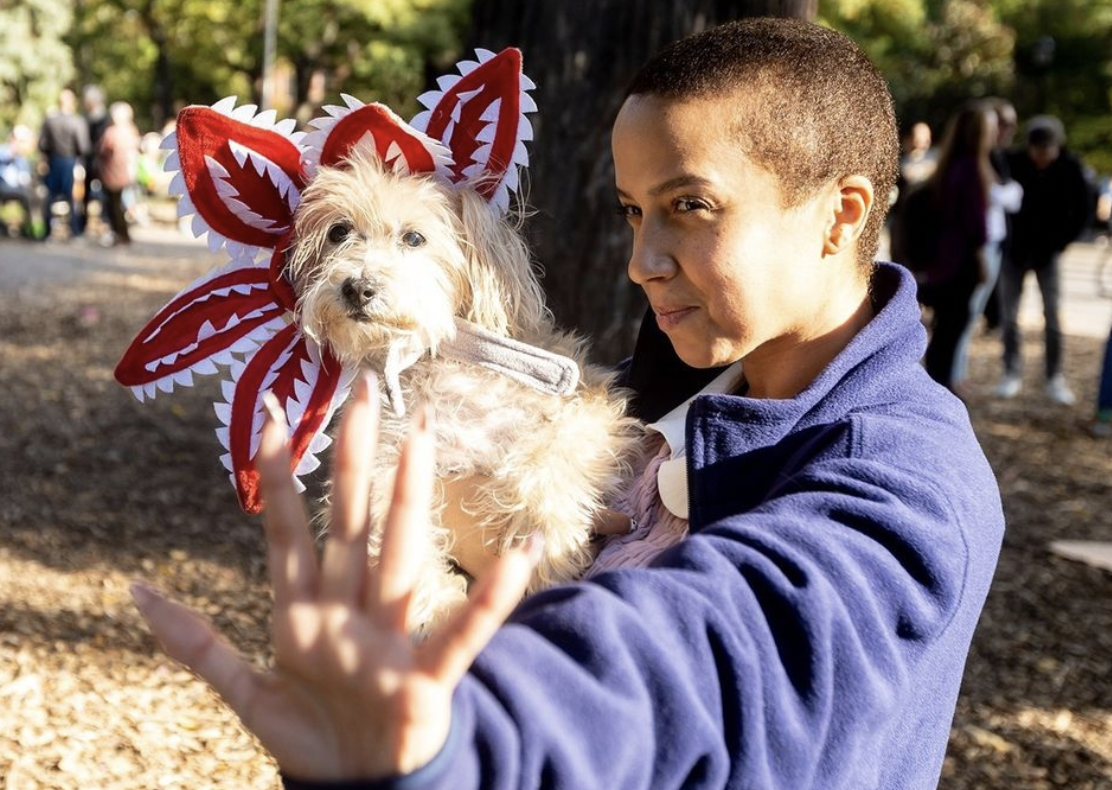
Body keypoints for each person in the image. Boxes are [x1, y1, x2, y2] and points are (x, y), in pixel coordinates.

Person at [130, 19, 1005, 790]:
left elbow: (718, 648)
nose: (641, 260)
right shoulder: (632, 396)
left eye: (689, 207)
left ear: (840, 215)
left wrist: (460, 740)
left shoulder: (910, 476)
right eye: (631, 211)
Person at [994, 115, 1090, 404]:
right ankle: (1011, 371)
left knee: (1053, 316)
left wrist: (1062, 242)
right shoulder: (1012, 162)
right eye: (1037, 151)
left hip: (1048, 253)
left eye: (1047, 152)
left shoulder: (1071, 168)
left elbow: (1083, 210)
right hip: (1015, 251)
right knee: (1009, 315)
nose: (1041, 158)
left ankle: (1054, 375)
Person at [914, 101, 996, 395]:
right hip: (961, 262)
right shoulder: (971, 169)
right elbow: (974, 221)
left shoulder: (949, 167)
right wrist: (982, 258)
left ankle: (939, 384)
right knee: (951, 330)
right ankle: (941, 388)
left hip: (944, 259)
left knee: (945, 331)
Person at [981, 97, 1020, 331]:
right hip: (981, 244)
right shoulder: (979, 159)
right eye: (1005, 122)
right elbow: (994, 196)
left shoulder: (1002, 157)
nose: (1011, 129)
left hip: (996, 243)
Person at [38, 88, 90, 241]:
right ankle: (75, 231)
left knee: (50, 198)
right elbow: (83, 147)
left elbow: (42, 144)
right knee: (73, 198)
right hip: (70, 162)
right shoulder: (77, 121)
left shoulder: (50, 121)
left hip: (53, 162)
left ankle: (47, 232)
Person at [97, 101, 140, 246]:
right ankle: (122, 234)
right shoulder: (131, 131)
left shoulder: (112, 133)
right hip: (126, 173)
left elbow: (103, 151)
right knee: (121, 205)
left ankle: (120, 234)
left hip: (113, 174)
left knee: (115, 207)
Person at [81, 84, 110, 235]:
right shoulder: (85, 118)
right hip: (89, 160)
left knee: (105, 194)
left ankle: (105, 223)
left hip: (102, 162)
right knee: (85, 193)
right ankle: (84, 223)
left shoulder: (105, 118)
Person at [0, 125, 36, 238]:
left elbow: (25, 176)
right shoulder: (3, 150)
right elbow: (4, 157)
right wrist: (12, 153)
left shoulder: (22, 158)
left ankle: (29, 229)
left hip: (19, 189)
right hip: (2, 187)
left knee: (32, 196)